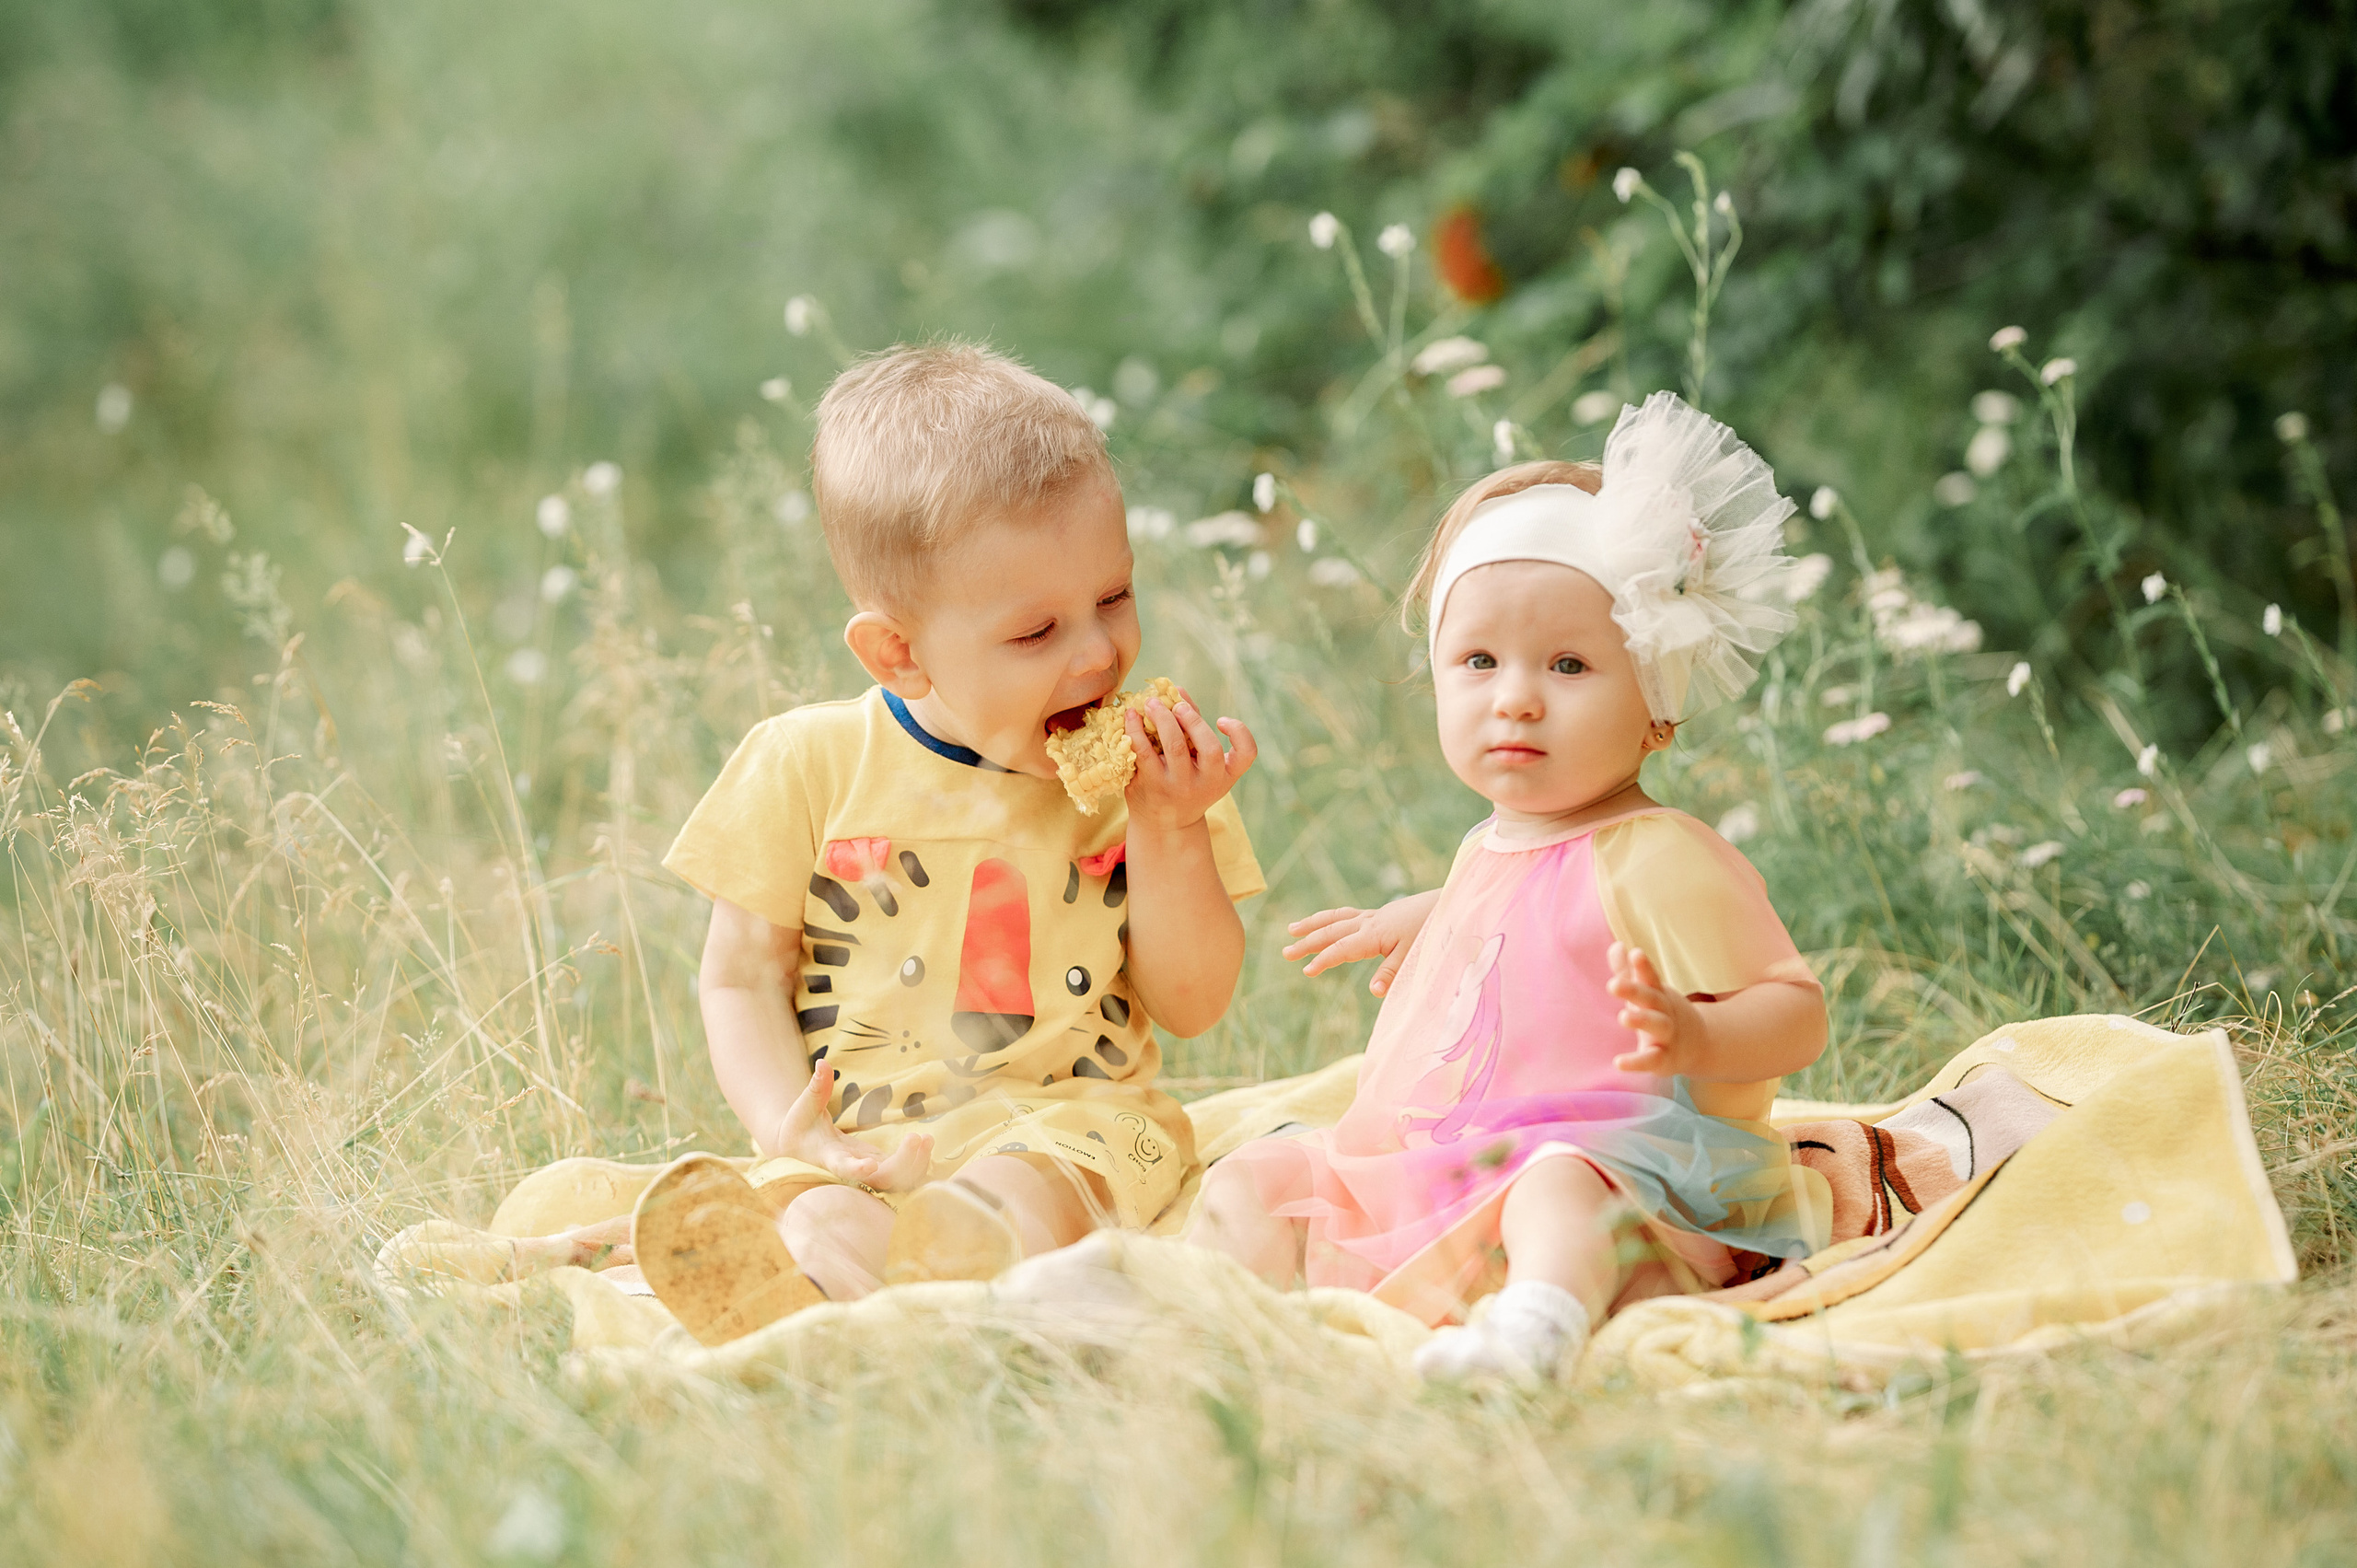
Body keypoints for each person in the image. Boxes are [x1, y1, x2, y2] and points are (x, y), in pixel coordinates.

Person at [539, 341, 1263, 1345]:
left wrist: (1168, 829)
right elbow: (742, 975)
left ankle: (951, 1293)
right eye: (1035, 632)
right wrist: (789, 1129)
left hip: (1074, 1126)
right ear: (898, 652)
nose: (1097, 653)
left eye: (1114, 598)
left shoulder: (1155, 788)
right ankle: (809, 1300)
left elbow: (1192, 1004)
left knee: (1020, 1193)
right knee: (820, 1210)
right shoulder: (806, 765)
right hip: (865, 1142)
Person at [1185, 392, 1830, 1387]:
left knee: (1557, 1185)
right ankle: (1216, 1335)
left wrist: (1696, 1037)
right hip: (1450, 1162)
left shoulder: (1659, 854)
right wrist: (1420, 920)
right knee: (1254, 1174)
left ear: (1655, 703)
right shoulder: (1488, 844)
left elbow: (1796, 1011)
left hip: (1621, 1171)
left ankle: (1534, 1330)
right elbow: (1516, 914)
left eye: (1568, 663)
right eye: (1477, 659)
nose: (1514, 694)